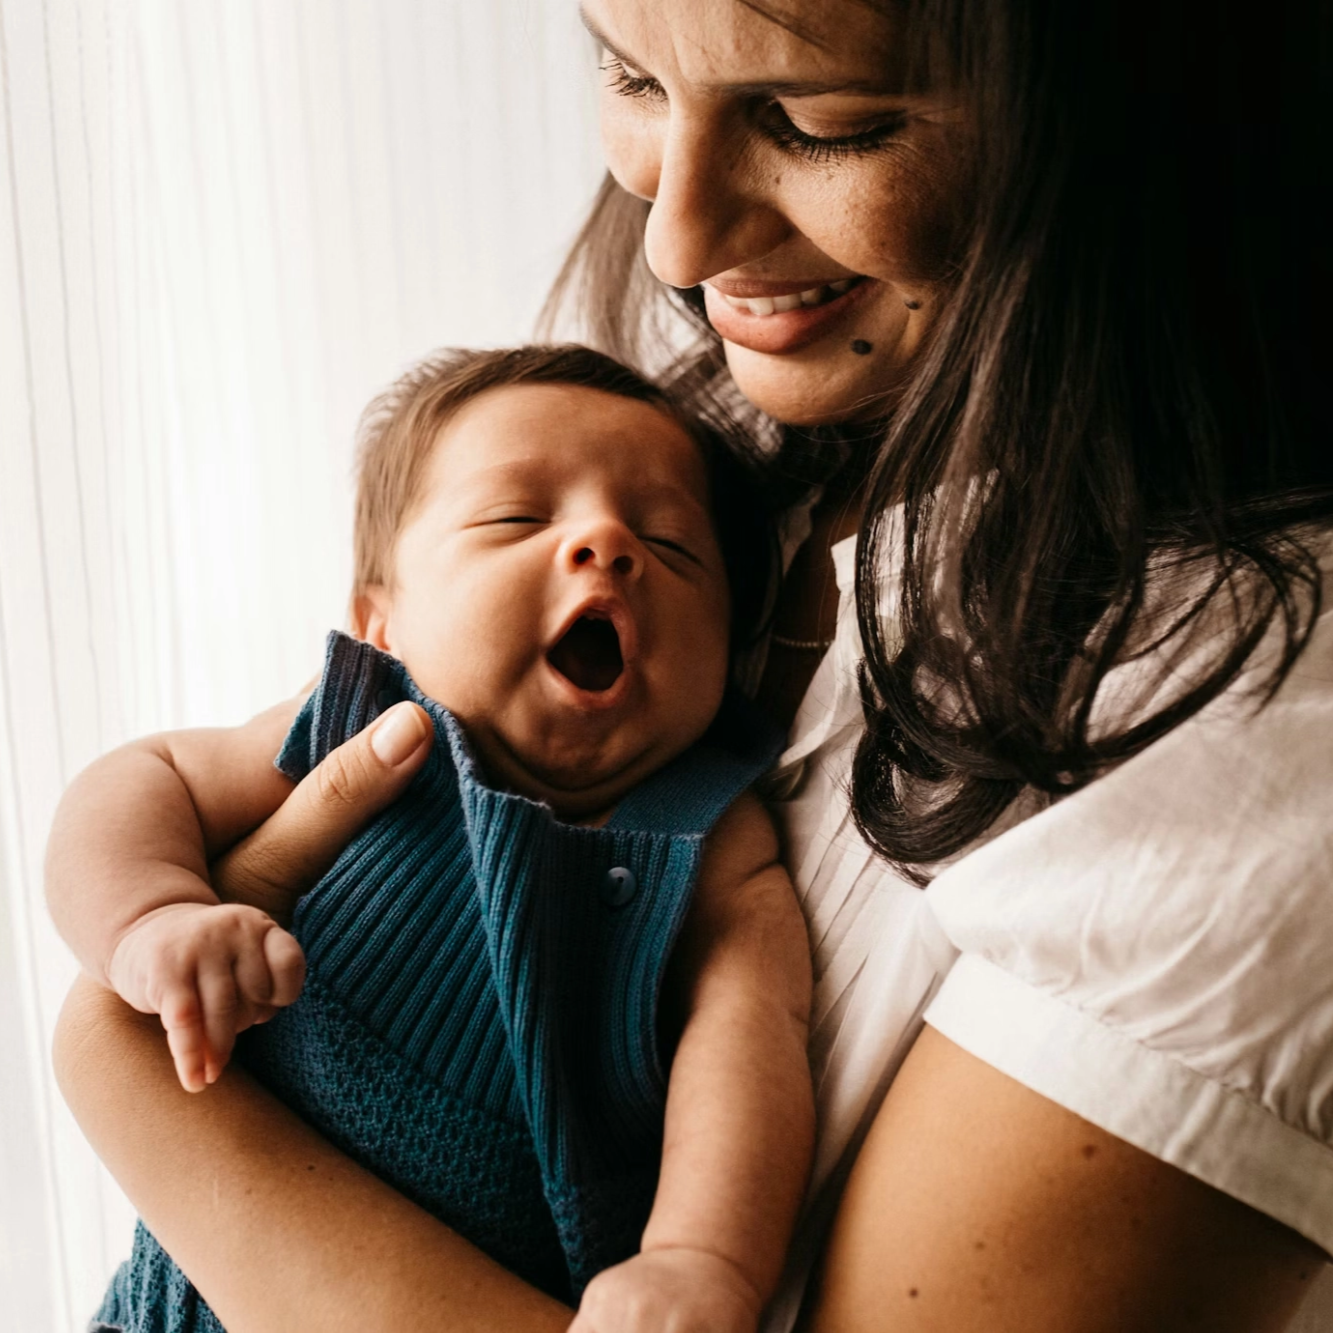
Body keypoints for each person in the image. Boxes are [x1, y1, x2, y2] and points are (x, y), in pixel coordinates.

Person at [51, 0, 1333, 1329]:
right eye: (629, 72)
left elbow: (746, 1015)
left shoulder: (1256, 736)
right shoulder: (742, 455)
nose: (673, 240)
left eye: (824, 121)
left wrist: (126, 1074)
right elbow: (148, 779)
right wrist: (143, 922)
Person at [48, 346, 814, 1333]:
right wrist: (151, 916)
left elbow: (748, 1036)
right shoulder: (358, 727)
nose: (607, 544)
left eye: (671, 545)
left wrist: (698, 1257)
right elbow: (138, 780)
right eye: (516, 519)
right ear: (382, 620)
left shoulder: (710, 830)